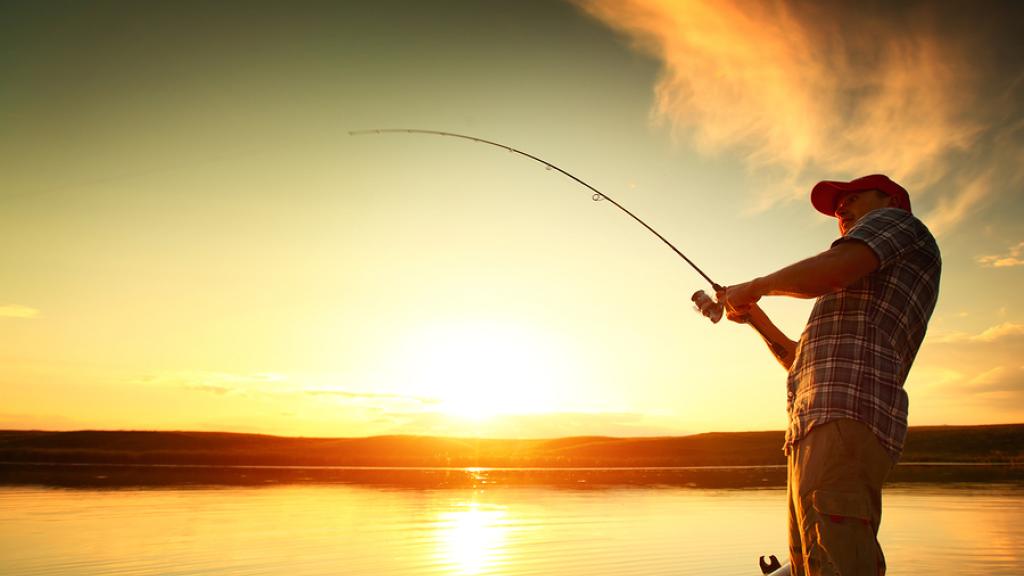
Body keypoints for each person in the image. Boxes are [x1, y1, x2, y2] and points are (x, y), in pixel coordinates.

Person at [694, 174, 941, 575]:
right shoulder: (859, 284)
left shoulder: (897, 223)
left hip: (844, 418)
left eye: (853, 197)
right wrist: (754, 316)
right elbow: (799, 360)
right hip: (816, 428)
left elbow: (833, 270)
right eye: (838, 206)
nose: (841, 209)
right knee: (814, 563)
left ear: (891, 199)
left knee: (839, 562)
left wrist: (755, 287)